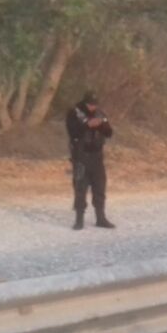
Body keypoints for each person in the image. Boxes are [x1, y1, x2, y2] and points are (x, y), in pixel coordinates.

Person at [66, 91, 115, 230]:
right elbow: (72, 131)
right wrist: (87, 125)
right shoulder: (74, 113)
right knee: (80, 188)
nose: (93, 107)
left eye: (95, 104)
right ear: (85, 103)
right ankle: (79, 219)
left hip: (97, 157)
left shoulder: (100, 113)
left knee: (100, 187)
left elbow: (109, 133)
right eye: (90, 104)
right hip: (81, 156)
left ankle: (101, 218)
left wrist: (101, 125)